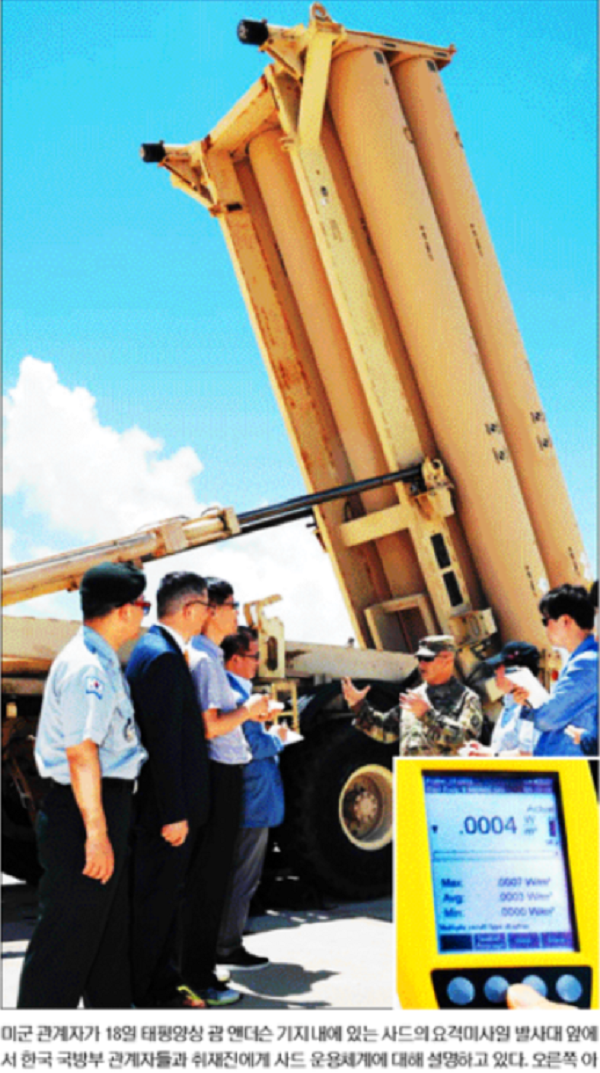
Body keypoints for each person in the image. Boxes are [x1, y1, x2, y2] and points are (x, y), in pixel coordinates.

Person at [18, 562, 148, 1008]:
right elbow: (81, 752)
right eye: (143, 605)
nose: (143, 615)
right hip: (85, 811)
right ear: (123, 610)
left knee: (105, 942)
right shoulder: (87, 667)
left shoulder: (101, 660)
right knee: (65, 944)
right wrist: (97, 834)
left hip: (99, 805)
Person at [126, 570, 215, 1009]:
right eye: (206, 607)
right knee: (157, 905)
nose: (208, 616)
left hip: (165, 806)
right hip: (167, 812)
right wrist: (174, 813)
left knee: (161, 901)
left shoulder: (154, 649)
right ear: (190, 608)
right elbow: (163, 744)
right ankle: (150, 994)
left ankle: (161, 984)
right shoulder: (161, 657)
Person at [188, 578, 271, 1002]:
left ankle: (203, 970)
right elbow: (211, 727)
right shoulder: (205, 660)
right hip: (219, 773)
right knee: (210, 883)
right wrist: (249, 711)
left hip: (222, 774)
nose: (237, 614)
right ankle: (200, 975)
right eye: (231, 606)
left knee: (215, 881)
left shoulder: (208, 657)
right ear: (210, 611)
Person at [216, 626, 286, 971]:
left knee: (237, 874)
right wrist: (279, 739)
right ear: (234, 660)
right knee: (243, 876)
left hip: (248, 796)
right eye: (253, 656)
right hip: (252, 800)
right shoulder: (237, 695)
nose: (259, 662)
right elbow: (253, 745)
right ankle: (228, 945)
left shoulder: (231, 690)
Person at [343, 635, 483, 756]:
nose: (421, 664)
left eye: (427, 658)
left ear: (447, 659)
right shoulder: (414, 696)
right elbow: (386, 732)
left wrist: (427, 715)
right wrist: (358, 706)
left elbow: (465, 742)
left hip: (443, 778)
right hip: (412, 776)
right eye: (419, 658)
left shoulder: (467, 699)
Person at [512, 585, 598, 758]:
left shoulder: (586, 663)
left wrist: (531, 707)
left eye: (546, 621)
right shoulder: (581, 660)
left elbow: (547, 718)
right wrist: (529, 702)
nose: (545, 628)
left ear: (565, 621)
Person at [464, 641, 541, 757]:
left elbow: (530, 755)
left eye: (499, 667)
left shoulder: (532, 705)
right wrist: (483, 751)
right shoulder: (510, 705)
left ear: (516, 671)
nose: (495, 672)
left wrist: (492, 755)